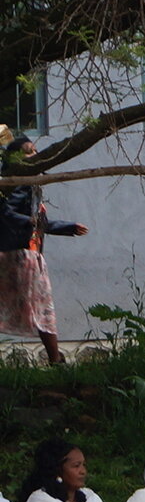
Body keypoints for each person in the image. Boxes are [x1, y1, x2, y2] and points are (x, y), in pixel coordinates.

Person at [0, 135, 87, 366]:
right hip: (18, 255)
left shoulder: (31, 186)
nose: (36, 155)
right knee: (43, 308)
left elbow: (40, 223)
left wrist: (68, 228)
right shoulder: (19, 184)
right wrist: (28, 221)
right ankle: (56, 360)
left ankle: (55, 358)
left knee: (39, 308)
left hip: (28, 254)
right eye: (29, 151)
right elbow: (6, 213)